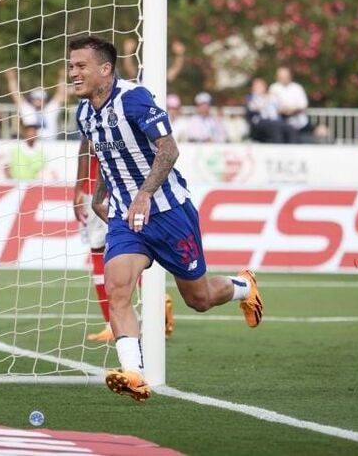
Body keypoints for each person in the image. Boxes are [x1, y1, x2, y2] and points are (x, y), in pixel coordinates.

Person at [68, 35, 262, 402]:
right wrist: (97, 195)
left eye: (81, 66)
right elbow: (109, 158)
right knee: (117, 289)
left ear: (105, 69)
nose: (73, 74)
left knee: (199, 298)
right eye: (71, 67)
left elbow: (168, 149)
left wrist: (144, 194)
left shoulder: (134, 98)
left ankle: (244, 287)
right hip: (127, 217)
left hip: (169, 212)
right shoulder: (83, 113)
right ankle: (133, 374)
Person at [73, 137, 175, 343]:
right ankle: (154, 301)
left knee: (100, 254)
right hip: (130, 192)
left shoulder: (92, 112)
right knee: (132, 251)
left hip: (99, 192)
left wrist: (78, 187)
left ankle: (112, 323)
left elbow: (86, 147)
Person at [4, 67, 67, 140]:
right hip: (33, 144)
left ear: (45, 100)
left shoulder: (50, 109)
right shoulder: (28, 110)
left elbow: (60, 95)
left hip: (51, 145)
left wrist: (62, 78)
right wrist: (11, 79)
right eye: (35, 98)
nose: (38, 101)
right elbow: (16, 95)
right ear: (32, 99)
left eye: (40, 99)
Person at [246, 76, 295, 143]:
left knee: (290, 128)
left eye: (261, 85)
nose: (260, 87)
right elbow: (254, 108)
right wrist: (265, 100)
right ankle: (278, 149)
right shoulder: (251, 97)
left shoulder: (271, 97)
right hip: (261, 122)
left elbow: (279, 108)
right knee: (275, 127)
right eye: (257, 86)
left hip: (276, 120)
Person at [269, 66, 311, 139]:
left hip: (299, 123)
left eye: (285, 76)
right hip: (281, 124)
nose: (284, 78)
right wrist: (283, 110)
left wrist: (291, 110)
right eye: (281, 76)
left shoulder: (297, 88)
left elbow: (303, 105)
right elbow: (272, 106)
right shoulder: (274, 88)